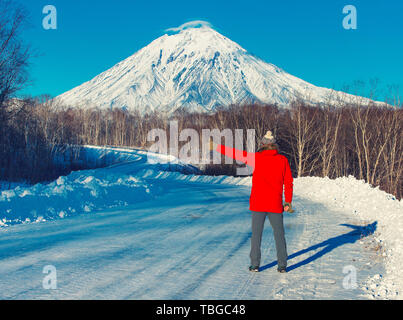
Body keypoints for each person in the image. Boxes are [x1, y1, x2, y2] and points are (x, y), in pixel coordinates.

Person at [210, 130, 294, 273]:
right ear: (274, 145)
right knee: (279, 234)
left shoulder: (256, 158)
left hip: (258, 203)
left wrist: (217, 147)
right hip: (275, 204)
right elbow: (288, 182)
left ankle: (255, 264)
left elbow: (235, 154)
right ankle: (282, 265)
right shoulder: (282, 160)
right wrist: (288, 202)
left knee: (256, 235)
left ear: (262, 144)